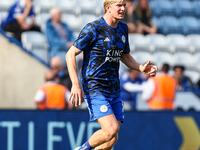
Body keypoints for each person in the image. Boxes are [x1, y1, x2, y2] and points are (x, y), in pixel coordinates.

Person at [66, 0, 157, 149]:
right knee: (111, 129)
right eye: (119, 5)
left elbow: (125, 56)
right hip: (95, 86)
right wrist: (75, 84)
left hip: (113, 88)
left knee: (111, 139)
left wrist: (141, 68)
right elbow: (70, 54)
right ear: (108, 8)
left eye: (124, 6)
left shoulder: (122, 28)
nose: (123, 9)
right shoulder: (93, 28)